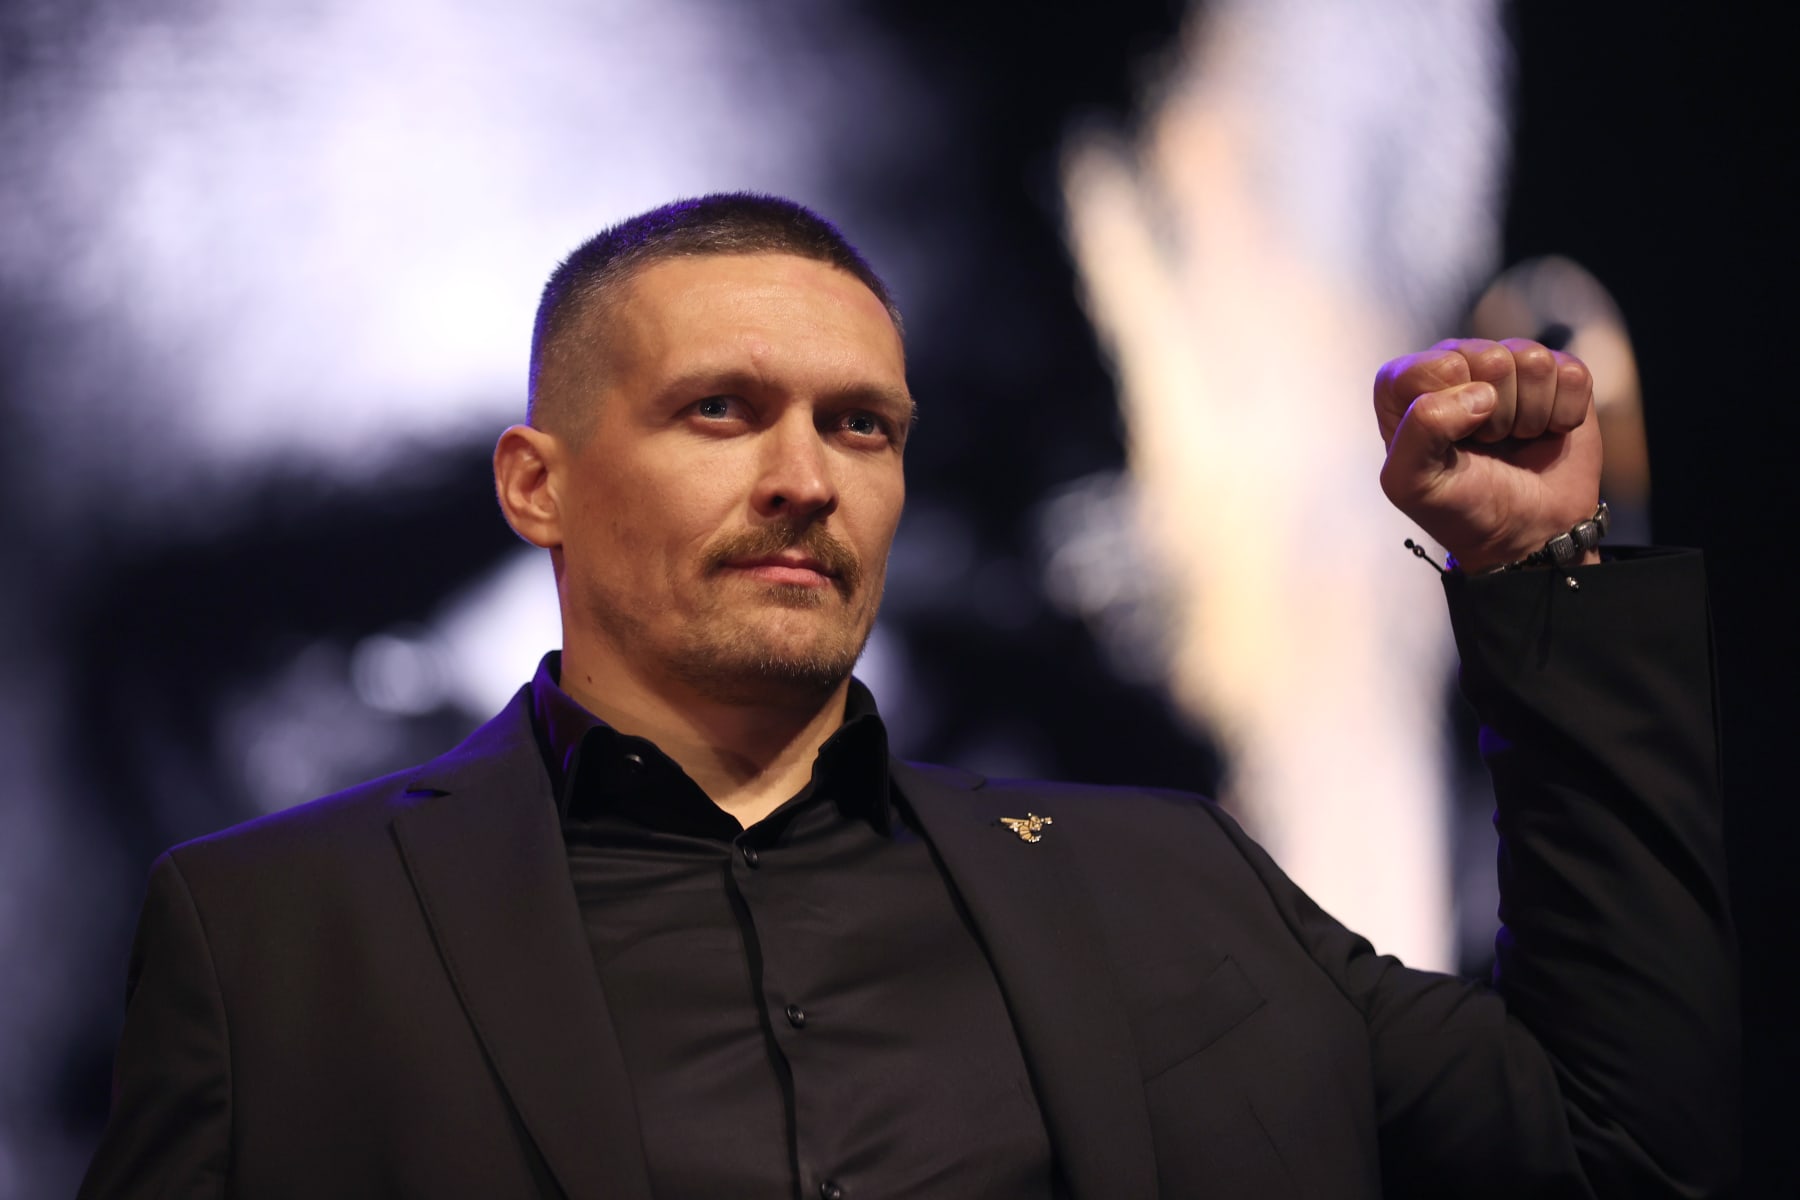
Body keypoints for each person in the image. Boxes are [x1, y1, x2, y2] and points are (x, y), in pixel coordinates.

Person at [79, 194, 1736, 1199]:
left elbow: (1626, 1150)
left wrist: (1544, 580)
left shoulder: (1168, 883)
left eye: (861, 425)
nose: (808, 478)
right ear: (538, 484)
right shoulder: (273, 939)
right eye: (722, 410)